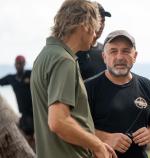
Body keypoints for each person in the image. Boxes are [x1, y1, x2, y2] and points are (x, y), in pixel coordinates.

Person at [30, 0, 116, 158]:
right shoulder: (64, 61)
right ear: (84, 25)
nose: (96, 32)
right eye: (95, 26)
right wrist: (96, 144)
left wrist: (91, 142)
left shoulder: (45, 56)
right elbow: (58, 121)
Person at [85, 30, 150, 158]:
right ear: (104, 57)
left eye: (126, 51)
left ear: (135, 56)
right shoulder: (88, 87)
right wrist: (106, 138)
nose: (120, 57)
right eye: (113, 51)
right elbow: (75, 128)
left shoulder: (146, 85)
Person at [0, 55, 35, 150]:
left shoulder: (30, 74)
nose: (19, 65)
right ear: (15, 65)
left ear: (24, 64)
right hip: (24, 112)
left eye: (21, 63)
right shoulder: (11, 78)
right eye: (17, 63)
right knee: (27, 131)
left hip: (34, 110)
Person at [77, 2, 111, 80]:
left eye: (103, 21)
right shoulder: (75, 50)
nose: (101, 25)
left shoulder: (106, 50)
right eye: (99, 20)